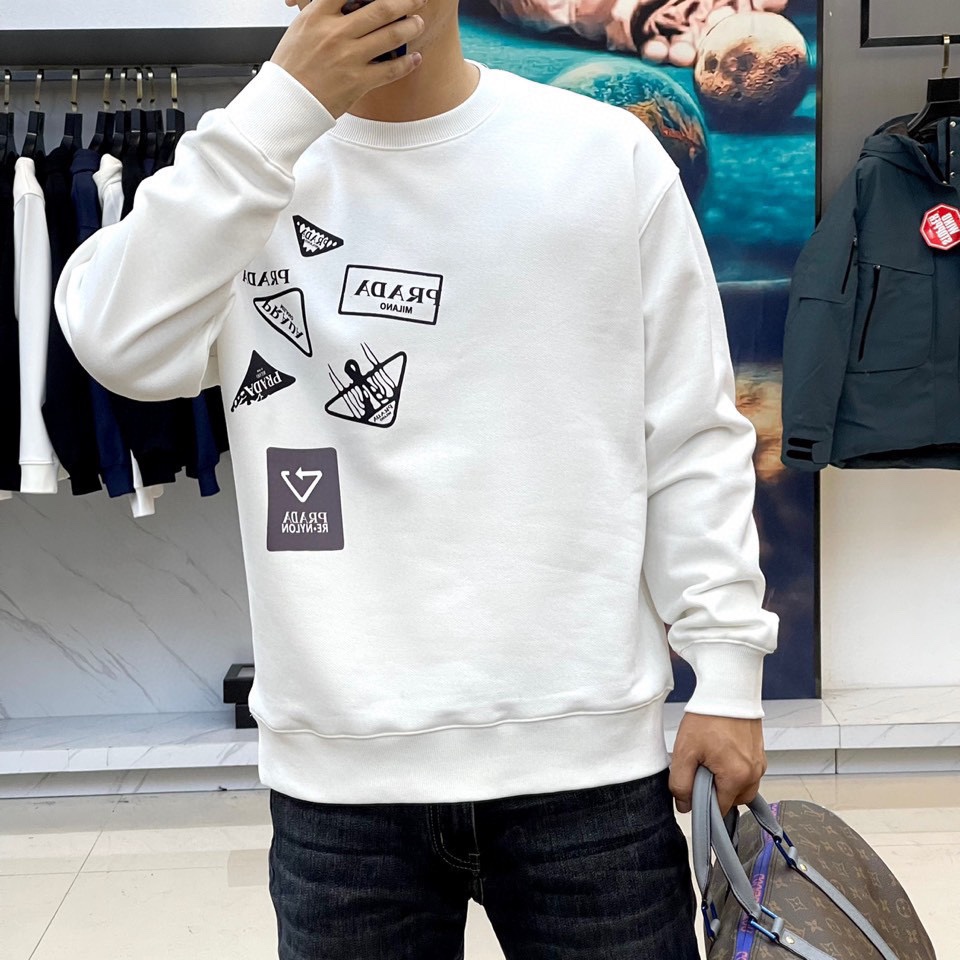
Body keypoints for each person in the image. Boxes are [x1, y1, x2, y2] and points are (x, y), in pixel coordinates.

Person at [56, 0, 779, 956]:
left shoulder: (605, 156)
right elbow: (119, 345)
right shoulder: (243, 174)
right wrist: (281, 107)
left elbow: (688, 434)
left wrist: (726, 669)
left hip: (585, 765)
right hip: (340, 783)